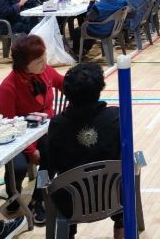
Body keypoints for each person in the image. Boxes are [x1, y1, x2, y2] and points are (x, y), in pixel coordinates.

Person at [48, 63, 123, 239]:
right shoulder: (116, 116)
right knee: (120, 184)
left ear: (66, 93)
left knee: (64, 184)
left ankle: (68, 232)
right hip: (114, 196)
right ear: (100, 89)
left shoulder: (57, 124)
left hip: (71, 203)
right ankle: (122, 226)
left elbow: (52, 163)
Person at [0, 35, 64, 225]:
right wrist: (30, 150)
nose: (45, 63)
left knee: (53, 157)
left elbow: (67, 85)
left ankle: (38, 198)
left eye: (44, 58)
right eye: (39, 61)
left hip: (44, 130)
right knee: (18, 167)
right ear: (23, 65)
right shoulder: (9, 87)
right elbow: (8, 124)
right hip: (19, 137)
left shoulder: (46, 72)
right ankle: (13, 194)